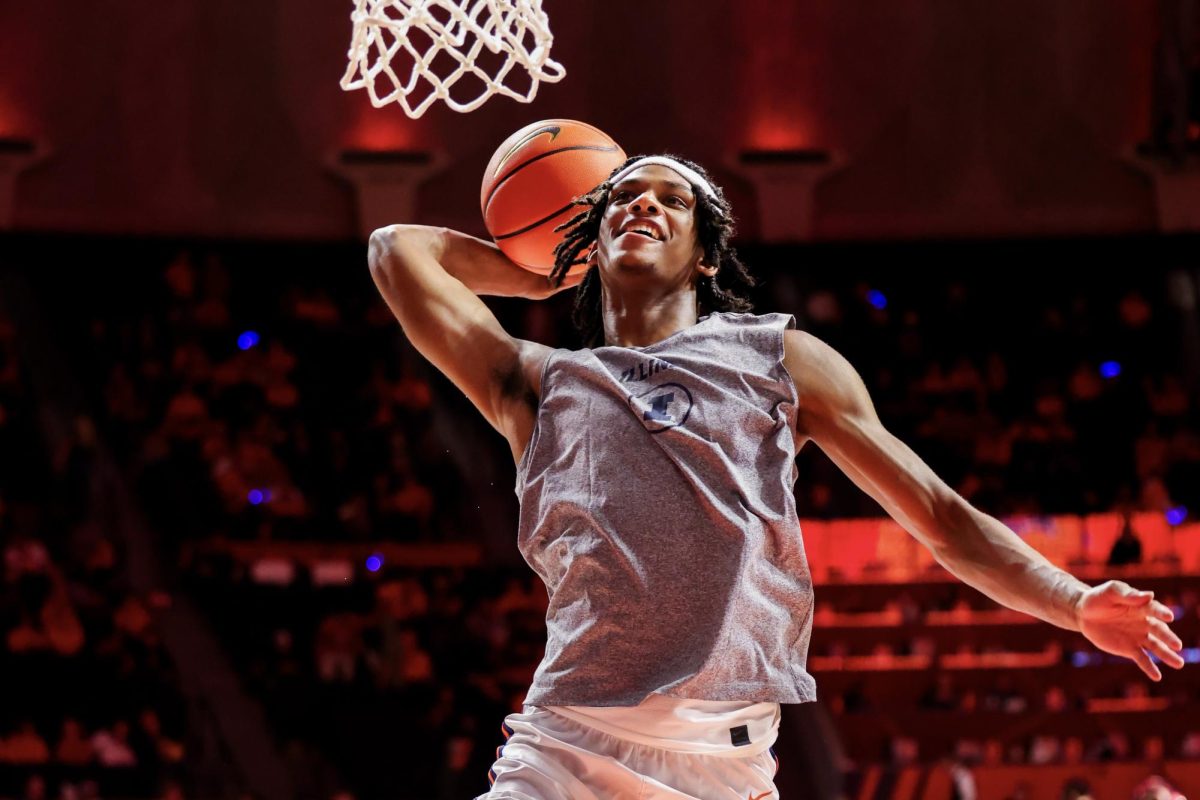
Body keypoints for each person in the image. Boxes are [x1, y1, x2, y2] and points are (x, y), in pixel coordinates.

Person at [368, 154, 1186, 800]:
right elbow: (396, 249)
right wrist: (550, 269)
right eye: (620, 196)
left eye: (670, 200)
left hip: (719, 764)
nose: (641, 205)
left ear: (704, 254)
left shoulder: (779, 360)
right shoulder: (538, 382)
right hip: (567, 746)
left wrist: (1072, 601)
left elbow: (939, 514)